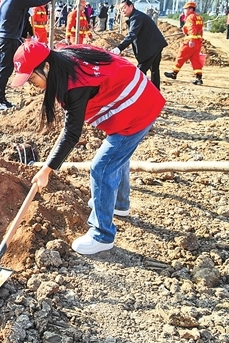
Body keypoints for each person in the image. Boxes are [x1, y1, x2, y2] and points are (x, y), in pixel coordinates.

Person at [11, 41, 165, 255]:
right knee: (117, 157)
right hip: (135, 100)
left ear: (46, 66)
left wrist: (47, 169)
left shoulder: (75, 84)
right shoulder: (63, 59)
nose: (30, 84)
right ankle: (119, 204)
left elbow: (72, 133)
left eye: (31, 78)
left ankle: (102, 235)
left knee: (102, 167)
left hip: (137, 110)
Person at [0, 0, 56, 110]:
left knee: (4, 69)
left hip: (3, 38)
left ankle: (1, 98)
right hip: (8, 38)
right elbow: (37, 1)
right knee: (5, 69)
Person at [112, 0, 168, 90]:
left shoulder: (136, 17)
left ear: (131, 6)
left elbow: (132, 34)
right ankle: (155, 92)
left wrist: (119, 48)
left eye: (124, 8)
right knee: (154, 70)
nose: (122, 11)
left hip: (151, 47)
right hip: (156, 45)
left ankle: (136, 93)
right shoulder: (137, 16)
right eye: (121, 9)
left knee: (140, 71)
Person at [165, 1, 204, 85]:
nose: (184, 11)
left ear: (190, 9)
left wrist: (191, 40)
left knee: (181, 56)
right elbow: (200, 30)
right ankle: (198, 78)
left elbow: (191, 28)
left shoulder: (190, 17)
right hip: (198, 42)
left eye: (185, 9)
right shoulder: (199, 17)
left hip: (190, 41)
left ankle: (174, 73)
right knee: (195, 60)